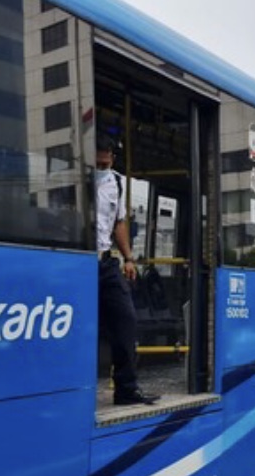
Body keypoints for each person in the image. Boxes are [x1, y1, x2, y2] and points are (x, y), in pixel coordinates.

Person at [95, 135, 159, 406]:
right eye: (98, 157)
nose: (103, 161)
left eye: (107, 157)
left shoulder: (116, 182)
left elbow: (119, 222)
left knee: (126, 320)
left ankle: (126, 389)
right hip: (78, 259)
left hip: (105, 261)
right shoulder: (73, 176)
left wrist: (128, 258)